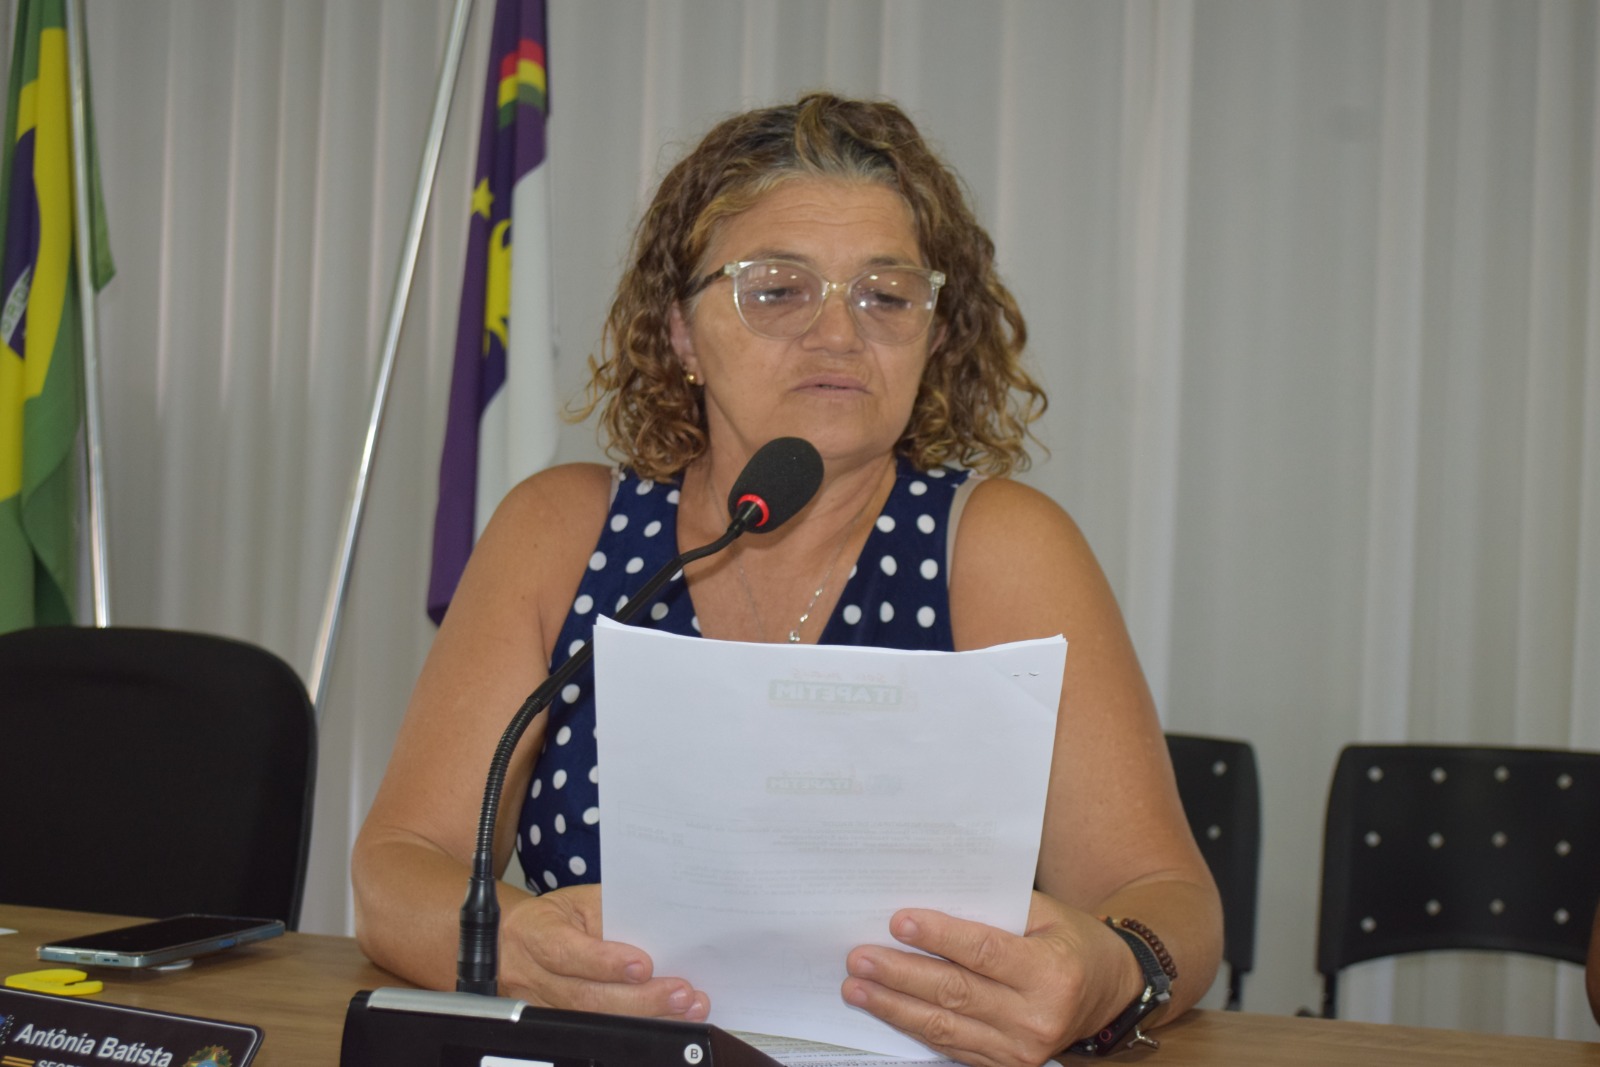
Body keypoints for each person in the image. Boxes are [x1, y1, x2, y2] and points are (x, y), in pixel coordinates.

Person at [352, 92, 1222, 1066]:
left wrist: (1112, 971)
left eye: (886, 295)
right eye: (776, 290)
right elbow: (399, 868)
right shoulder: (560, 532)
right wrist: (510, 944)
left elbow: (1169, 897)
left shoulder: (1000, 546)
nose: (839, 334)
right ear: (680, 332)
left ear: (935, 334)